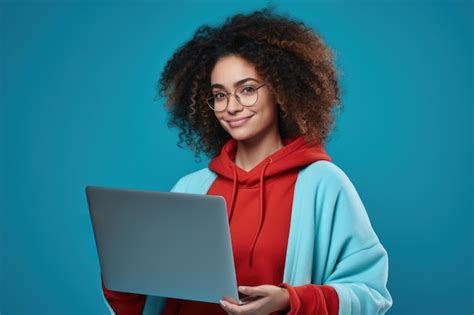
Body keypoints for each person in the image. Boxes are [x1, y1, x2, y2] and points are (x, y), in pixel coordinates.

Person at [101, 7, 393, 315]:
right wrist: (123, 277)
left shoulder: (324, 184)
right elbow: (154, 303)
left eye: (248, 89)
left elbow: (371, 296)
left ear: (281, 91)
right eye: (220, 95)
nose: (232, 107)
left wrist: (288, 300)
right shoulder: (191, 187)